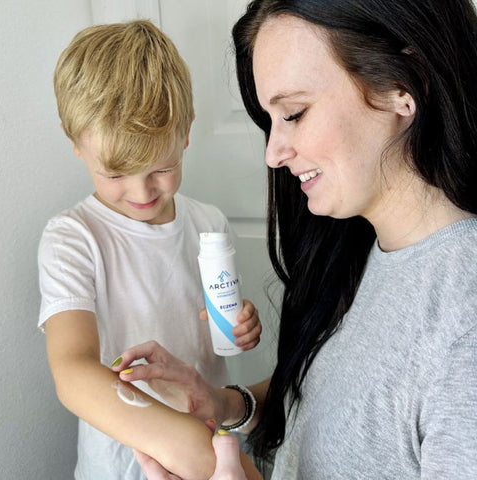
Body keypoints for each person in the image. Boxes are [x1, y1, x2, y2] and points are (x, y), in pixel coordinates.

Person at [112, 0, 477, 478]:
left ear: (401, 87)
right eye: (271, 120)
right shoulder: (359, 248)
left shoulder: (463, 319)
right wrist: (222, 403)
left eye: (295, 113)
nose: (273, 154)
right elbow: (335, 410)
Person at [37, 20, 263, 480]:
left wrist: (241, 325)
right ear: (74, 141)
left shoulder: (208, 225)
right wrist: (186, 442)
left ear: (185, 133)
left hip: (210, 451)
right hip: (124, 465)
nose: (142, 191)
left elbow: (211, 324)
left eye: (161, 167)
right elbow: (73, 368)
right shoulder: (73, 239)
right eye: (117, 174)